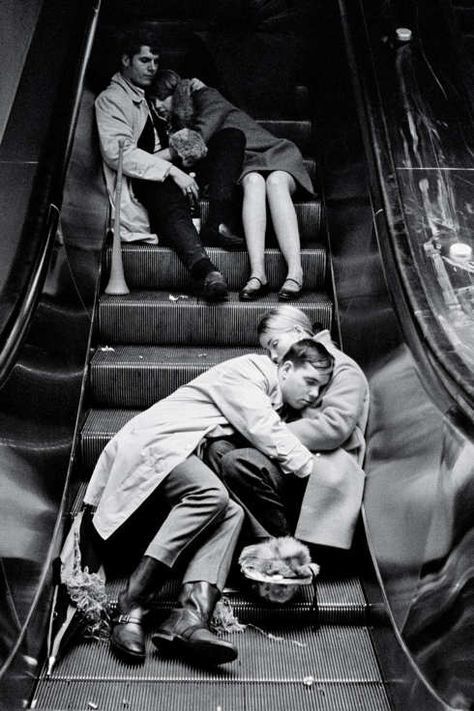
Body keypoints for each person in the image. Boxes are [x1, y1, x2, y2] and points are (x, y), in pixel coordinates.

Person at [82, 339, 334, 666]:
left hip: (182, 458)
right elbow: (265, 430)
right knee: (211, 495)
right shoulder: (249, 372)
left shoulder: (273, 396)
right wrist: (323, 478)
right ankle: (131, 604)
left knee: (231, 512)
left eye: (321, 387)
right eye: (310, 382)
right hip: (159, 446)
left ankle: (189, 619)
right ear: (285, 368)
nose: (313, 395)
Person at [94, 27, 246, 302]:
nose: (152, 68)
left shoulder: (145, 93)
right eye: (144, 61)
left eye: (155, 61)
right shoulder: (112, 100)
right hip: (145, 178)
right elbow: (119, 154)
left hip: (172, 165)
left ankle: (217, 221)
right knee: (163, 188)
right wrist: (172, 169)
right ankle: (205, 270)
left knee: (231, 137)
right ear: (125, 60)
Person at [206, 305, 370, 553]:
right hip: (296, 456)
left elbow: (334, 428)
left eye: (274, 343)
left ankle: (287, 550)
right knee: (218, 448)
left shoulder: (341, 367)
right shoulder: (297, 363)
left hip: (324, 465)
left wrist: (273, 434)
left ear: (296, 331)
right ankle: (267, 543)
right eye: (267, 349)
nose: (272, 355)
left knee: (239, 461)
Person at [150, 70, 315, 301]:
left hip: (274, 153)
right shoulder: (184, 115)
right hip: (248, 165)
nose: (157, 104)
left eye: (161, 96)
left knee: (276, 182)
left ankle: (295, 271)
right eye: (153, 99)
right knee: (254, 181)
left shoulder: (206, 96)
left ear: (176, 93)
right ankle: (258, 274)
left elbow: (194, 141)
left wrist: (145, 158)